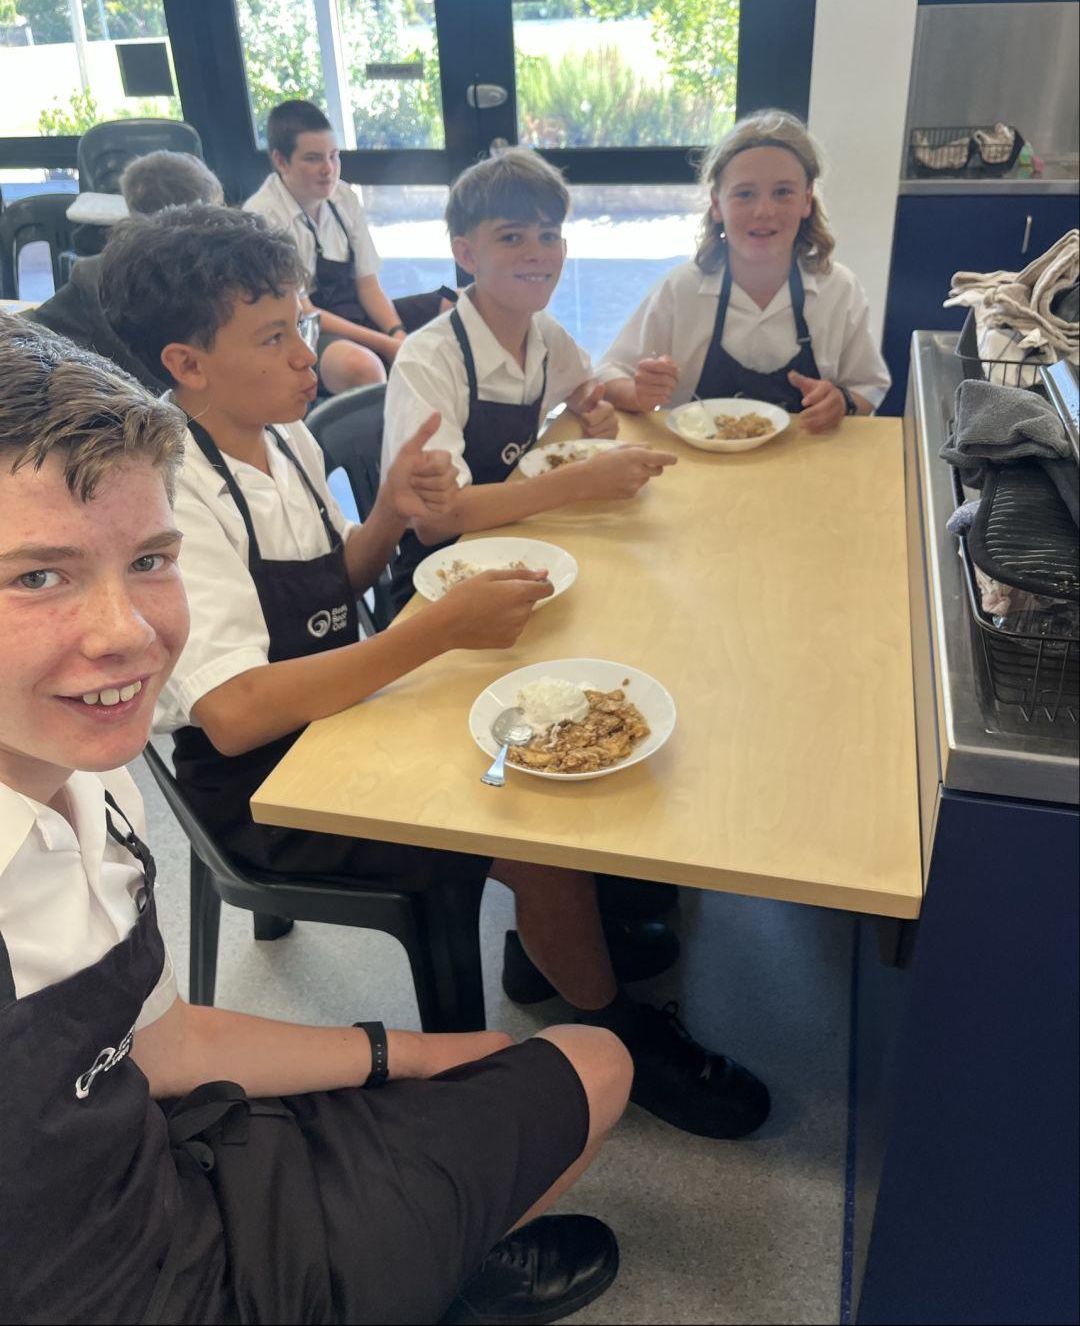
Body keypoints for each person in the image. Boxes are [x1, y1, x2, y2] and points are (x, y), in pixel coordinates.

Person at [0, 314, 632, 1325]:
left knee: (587, 1062)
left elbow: (160, 1048)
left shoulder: (91, 773)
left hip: (168, 1167)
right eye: (39, 576)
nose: (129, 636)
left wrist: (403, 1054)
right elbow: (234, 712)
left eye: (152, 561)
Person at [99, 204, 770, 1142]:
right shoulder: (175, 493)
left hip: (342, 708)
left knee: (552, 731)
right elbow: (237, 713)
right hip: (265, 787)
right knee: (531, 819)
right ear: (187, 363)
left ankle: (554, 945)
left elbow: (336, 583)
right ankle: (615, 1023)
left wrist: (384, 514)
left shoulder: (282, 434)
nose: (306, 355)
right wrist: (438, 634)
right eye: (274, 336)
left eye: (301, 324)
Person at [381, 147, 680, 613]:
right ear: (466, 254)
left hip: (524, 546)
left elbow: (585, 381)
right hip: (440, 585)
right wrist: (580, 481)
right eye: (511, 237)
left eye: (548, 235)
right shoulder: (429, 361)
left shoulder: (541, 332)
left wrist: (602, 401)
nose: (537, 253)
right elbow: (436, 520)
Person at [599, 110, 891, 428]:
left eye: (783, 192)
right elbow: (608, 374)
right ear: (717, 205)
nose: (763, 211)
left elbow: (868, 387)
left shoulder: (839, 290)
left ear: (806, 200)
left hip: (809, 454)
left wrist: (842, 402)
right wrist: (639, 393)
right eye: (745, 194)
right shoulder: (681, 290)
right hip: (696, 459)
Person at [243, 99, 456, 395]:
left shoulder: (344, 197)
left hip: (354, 313)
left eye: (334, 156)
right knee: (362, 366)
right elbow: (305, 311)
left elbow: (368, 285)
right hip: (306, 331)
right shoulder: (263, 216)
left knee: (459, 300)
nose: (328, 169)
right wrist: (388, 345)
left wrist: (398, 333)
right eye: (313, 159)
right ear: (281, 161)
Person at [25, 149, 225, 392]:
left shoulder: (95, 275)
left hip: (128, 405)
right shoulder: (233, 275)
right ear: (210, 211)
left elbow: (28, 336)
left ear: (130, 208)